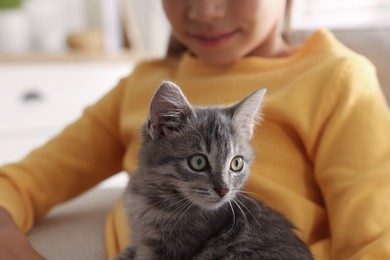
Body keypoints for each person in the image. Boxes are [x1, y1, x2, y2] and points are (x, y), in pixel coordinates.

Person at [1, 0, 389, 259]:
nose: (204, 11)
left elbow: (377, 235)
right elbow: (27, 179)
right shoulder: (142, 82)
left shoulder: (337, 77)